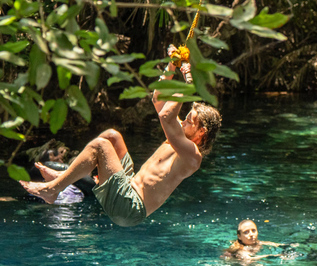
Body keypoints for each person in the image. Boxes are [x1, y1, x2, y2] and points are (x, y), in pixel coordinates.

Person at [19, 45, 221, 227]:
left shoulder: (192, 156)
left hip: (130, 207)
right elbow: (157, 99)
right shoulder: (180, 139)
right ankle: (67, 178)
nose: (183, 122)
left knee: (99, 146)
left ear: (202, 132)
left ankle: (53, 189)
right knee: (111, 136)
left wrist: (188, 82)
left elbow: (167, 116)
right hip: (129, 186)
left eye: (189, 121)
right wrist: (171, 66)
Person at [222, 219, 296, 261]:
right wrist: (272, 256)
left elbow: (274, 244)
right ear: (239, 236)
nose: (251, 234)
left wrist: (289, 245)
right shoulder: (241, 249)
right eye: (246, 232)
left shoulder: (258, 243)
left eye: (253, 230)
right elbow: (249, 260)